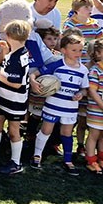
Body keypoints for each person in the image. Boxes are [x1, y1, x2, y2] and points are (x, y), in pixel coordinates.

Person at [29, 34, 89, 175]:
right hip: (52, 105)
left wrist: (81, 94)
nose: (77, 53)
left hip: (70, 108)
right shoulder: (57, 64)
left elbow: (85, 89)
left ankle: (68, 160)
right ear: (63, 50)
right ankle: (37, 155)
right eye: (73, 50)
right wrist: (33, 81)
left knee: (67, 133)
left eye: (80, 50)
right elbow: (35, 74)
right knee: (46, 130)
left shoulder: (83, 70)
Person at [0, 20, 31, 174]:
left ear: (9, 35)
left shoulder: (18, 57)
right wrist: (5, 52)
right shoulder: (16, 52)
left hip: (15, 100)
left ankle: (16, 162)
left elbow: (16, 83)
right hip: (3, 97)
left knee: (14, 131)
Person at [85, 38, 103, 173]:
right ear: (98, 54)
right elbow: (92, 91)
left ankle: (102, 158)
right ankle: (91, 160)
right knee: (94, 135)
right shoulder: (95, 70)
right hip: (96, 111)